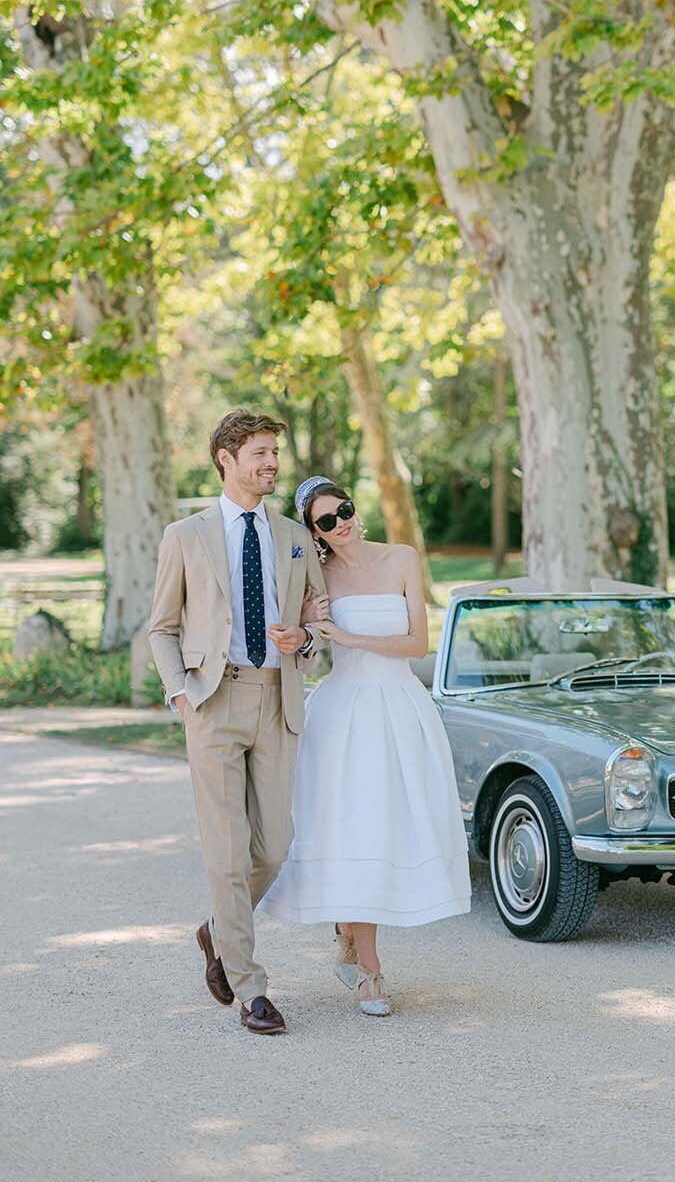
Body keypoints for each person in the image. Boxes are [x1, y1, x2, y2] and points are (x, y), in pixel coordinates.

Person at [259, 476, 470, 1017]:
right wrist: (307, 627)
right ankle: (371, 975)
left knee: (391, 831)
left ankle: (349, 935)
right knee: (353, 829)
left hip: (399, 710)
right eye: (326, 520)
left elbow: (419, 643)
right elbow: (295, 639)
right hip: (343, 717)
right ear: (315, 533)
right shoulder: (317, 576)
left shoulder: (401, 558)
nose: (341, 523)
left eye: (344, 510)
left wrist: (350, 636)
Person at [147, 410, 327, 1036]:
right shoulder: (186, 535)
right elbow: (162, 627)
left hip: (278, 699)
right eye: (259, 452)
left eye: (274, 451)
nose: (271, 462)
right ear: (226, 458)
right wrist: (179, 693)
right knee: (226, 854)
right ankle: (251, 989)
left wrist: (304, 637)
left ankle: (217, 930)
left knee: (274, 848)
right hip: (213, 701)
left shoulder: (296, 538)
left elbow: (317, 626)